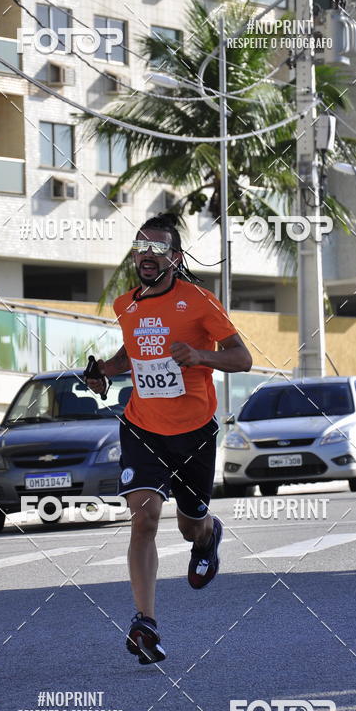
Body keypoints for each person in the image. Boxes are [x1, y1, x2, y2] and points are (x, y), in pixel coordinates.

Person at [86, 214, 252, 664]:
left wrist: (199, 354)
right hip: (143, 426)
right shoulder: (126, 305)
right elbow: (130, 355)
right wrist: (103, 371)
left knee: (188, 524)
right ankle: (145, 622)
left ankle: (207, 537)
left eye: (157, 250)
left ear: (175, 259)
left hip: (194, 432)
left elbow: (243, 357)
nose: (146, 256)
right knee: (143, 520)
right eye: (141, 247)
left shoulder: (199, 301)